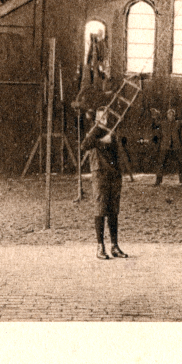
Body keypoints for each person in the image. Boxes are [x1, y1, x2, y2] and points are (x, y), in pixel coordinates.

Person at [81, 107, 128, 260]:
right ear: (96, 119)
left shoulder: (111, 131)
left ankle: (114, 246)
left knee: (113, 210)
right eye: (100, 117)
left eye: (106, 117)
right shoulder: (94, 131)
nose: (103, 120)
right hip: (100, 173)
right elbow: (85, 145)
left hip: (113, 174)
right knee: (100, 208)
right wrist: (102, 141)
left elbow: (118, 152)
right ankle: (100, 247)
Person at [154, 108, 182, 186]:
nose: (171, 116)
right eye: (169, 114)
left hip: (176, 146)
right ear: (167, 115)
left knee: (180, 163)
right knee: (161, 163)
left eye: (172, 114)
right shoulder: (163, 123)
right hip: (165, 145)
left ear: (174, 116)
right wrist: (157, 114)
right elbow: (156, 123)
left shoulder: (178, 123)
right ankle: (158, 181)